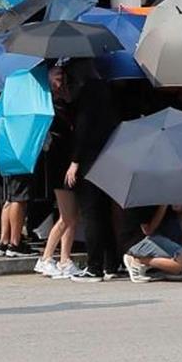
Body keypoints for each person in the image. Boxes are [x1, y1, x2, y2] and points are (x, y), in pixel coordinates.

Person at [64, 62, 122, 282]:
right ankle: (110, 264)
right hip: (108, 157)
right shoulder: (106, 90)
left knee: (91, 214)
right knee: (104, 213)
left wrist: (75, 161)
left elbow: (83, 129)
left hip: (89, 159)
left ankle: (94, 266)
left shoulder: (87, 94)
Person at [35, 64, 83, 279]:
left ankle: (65, 259)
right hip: (59, 166)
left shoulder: (64, 103)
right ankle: (45, 258)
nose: (61, 81)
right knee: (66, 216)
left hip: (65, 163)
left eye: (63, 77)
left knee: (72, 216)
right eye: (57, 77)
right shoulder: (50, 106)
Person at [119, 204, 182, 283]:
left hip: (160, 235)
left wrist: (178, 205)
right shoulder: (142, 202)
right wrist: (163, 207)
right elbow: (148, 231)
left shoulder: (164, 193)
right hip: (140, 241)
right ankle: (138, 260)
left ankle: (177, 260)